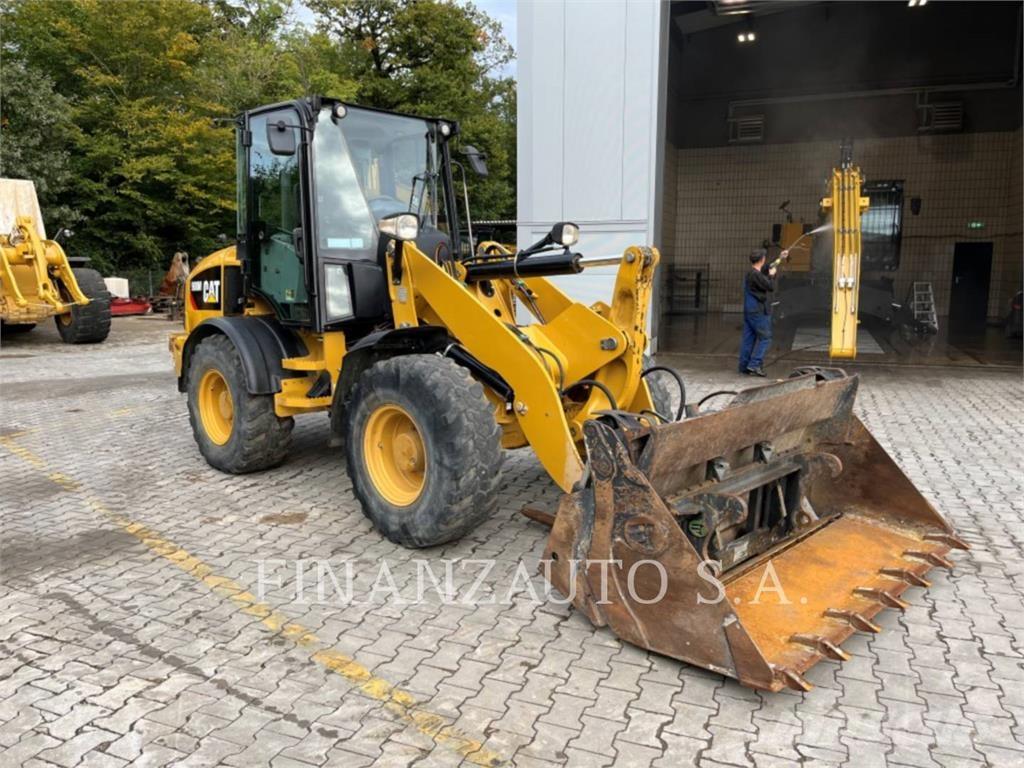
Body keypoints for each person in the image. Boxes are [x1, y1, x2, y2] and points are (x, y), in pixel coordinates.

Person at [738, 248, 784, 377]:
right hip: (757, 311)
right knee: (765, 338)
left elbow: (769, 266)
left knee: (749, 338)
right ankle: (754, 365)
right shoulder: (756, 275)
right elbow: (769, 286)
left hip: (749, 310)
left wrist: (780, 258)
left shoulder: (752, 272)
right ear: (762, 259)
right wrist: (772, 275)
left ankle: (743, 366)